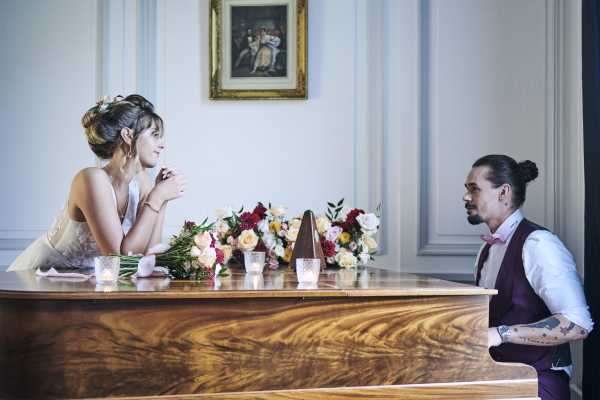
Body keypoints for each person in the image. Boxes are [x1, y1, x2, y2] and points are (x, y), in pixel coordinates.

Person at [463, 154, 593, 400]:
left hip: (536, 383)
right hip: (499, 377)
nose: (466, 197)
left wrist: (500, 334)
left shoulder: (539, 245)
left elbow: (578, 325)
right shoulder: (487, 248)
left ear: (503, 193)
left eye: (474, 189)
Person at [8, 94, 186, 271]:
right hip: (42, 279)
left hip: (88, 284)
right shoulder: (91, 179)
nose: (162, 144)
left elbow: (148, 255)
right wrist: (157, 196)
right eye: (155, 135)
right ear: (128, 135)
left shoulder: (141, 181)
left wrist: (162, 199)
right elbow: (121, 260)